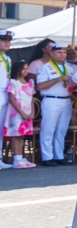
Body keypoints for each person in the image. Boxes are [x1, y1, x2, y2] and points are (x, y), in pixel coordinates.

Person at [34, 42, 76, 165]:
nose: (62, 55)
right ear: (51, 53)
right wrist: (58, 79)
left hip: (66, 99)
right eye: (59, 52)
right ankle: (47, 157)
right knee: (48, 129)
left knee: (61, 130)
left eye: (64, 52)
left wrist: (74, 85)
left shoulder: (69, 68)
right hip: (51, 99)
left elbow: (73, 86)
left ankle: (59, 155)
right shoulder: (45, 68)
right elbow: (40, 86)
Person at [4, 66, 36, 168]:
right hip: (16, 113)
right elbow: (12, 99)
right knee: (16, 135)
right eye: (23, 69)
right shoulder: (13, 82)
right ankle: (16, 159)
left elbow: (31, 99)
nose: (26, 71)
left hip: (27, 113)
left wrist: (32, 112)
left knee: (22, 135)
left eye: (27, 68)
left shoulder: (30, 83)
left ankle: (21, 157)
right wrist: (21, 113)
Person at [0, 29, 11, 163]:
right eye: (4, 41)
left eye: (8, 41)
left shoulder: (7, 58)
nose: (7, 43)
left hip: (5, 93)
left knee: (1, 127)